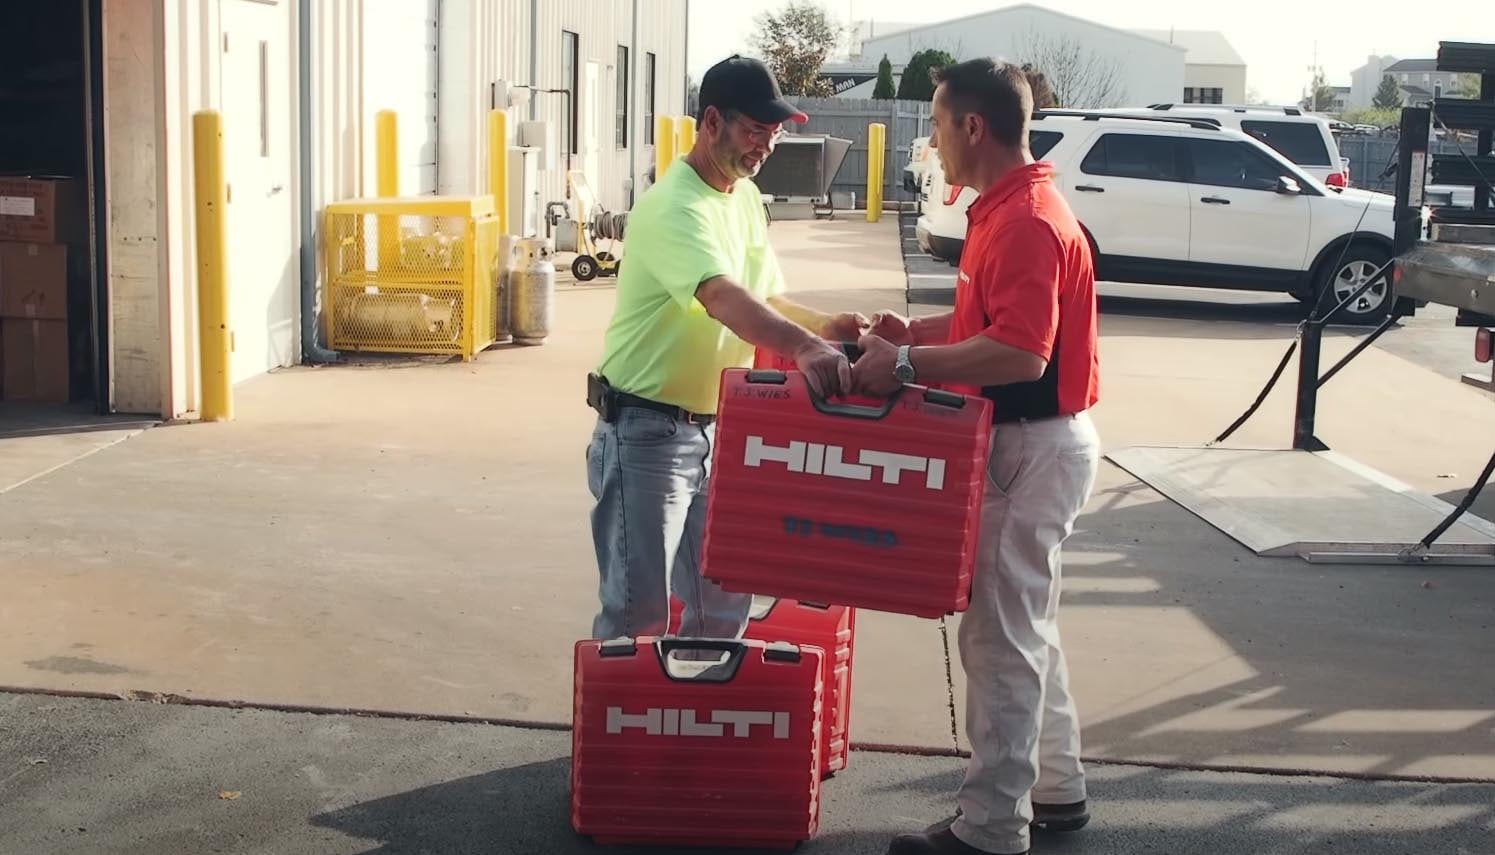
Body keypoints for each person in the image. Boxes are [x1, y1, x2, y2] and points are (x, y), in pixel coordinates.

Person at [851, 58, 1101, 855]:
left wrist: (903, 367)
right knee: (1026, 630)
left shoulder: (1024, 219)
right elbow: (985, 325)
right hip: (1036, 446)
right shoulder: (1009, 209)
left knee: (998, 641)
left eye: (934, 123)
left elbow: (1022, 354)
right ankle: (1055, 792)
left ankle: (992, 828)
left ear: (972, 126)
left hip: (1026, 446)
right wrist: (912, 334)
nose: (931, 141)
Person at [585, 54, 867, 643]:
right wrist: (809, 350)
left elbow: (766, 298)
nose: (766, 145)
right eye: (755, 130)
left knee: (724, 599)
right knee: (637, 616)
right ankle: (630, 732)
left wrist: (829, 328)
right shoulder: (672, 206)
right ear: (711, 121)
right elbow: (722, 296)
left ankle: (699, 726)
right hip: (644, 431)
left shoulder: (741, 198)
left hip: (718, 429)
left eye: (775, 132)